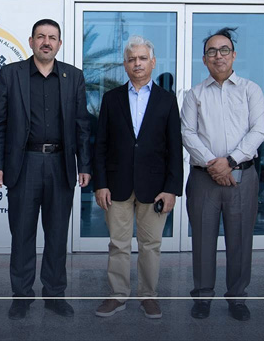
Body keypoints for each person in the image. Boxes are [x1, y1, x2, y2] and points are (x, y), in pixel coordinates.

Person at [0, 19, 92, 319]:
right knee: (22, 234)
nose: (47, 42)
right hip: (24, 164)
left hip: (61, 163)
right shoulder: (11, 74)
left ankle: (55, 294)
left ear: (59, 44)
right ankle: (21, 296)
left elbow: (82, 125)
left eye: (52, 37)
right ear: (31, 41)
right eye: (41, 36)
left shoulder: (74, 76)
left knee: (57, 235)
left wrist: (84, 164)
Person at [92, 35, 182, 320]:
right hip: (116, 185)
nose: (137, 63)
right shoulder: (111, 99)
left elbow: (175, 148)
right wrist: (100, 184)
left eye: (143, 58)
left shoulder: (167, 100)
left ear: (153, 63)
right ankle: (117, 295)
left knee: (150, 245)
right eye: (132, 59)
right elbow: (100, 144)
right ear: (125, 65)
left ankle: (148, 297)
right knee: (118, 244)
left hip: (155, 188)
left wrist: (171, 189)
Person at [180, 27, 264, 321]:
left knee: (240, 240)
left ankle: (237, 298)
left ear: (234, 55)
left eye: (224, 50)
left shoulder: (250, 90)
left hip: (242, 177)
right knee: (203, 239)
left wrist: (230, 161)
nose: (218, 56)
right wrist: (214, 165)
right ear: (204, 59)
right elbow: (187, 133)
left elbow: (259, 131)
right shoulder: (194, 94)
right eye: (212, 51)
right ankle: (203, 296)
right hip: (204, 178)